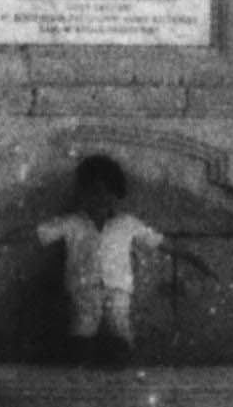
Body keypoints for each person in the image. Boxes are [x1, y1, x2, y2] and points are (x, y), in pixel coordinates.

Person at [36, 154, 165, 361]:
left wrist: (191, 257)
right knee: (81, 333)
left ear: (115, 193)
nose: (100, 198)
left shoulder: (127, 223)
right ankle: (80, 377)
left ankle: (120, 374)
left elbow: (160, 242)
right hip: (83, 288)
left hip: (118, 289)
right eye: (94, 192)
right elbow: (38, 233)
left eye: (106, 192)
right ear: (84, 193)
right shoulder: (73, 223)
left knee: (120, 331)